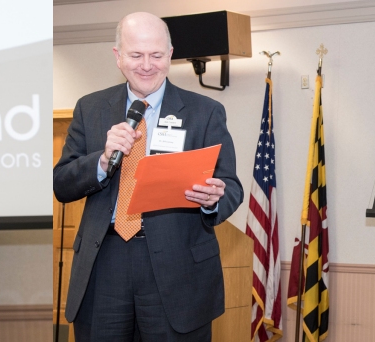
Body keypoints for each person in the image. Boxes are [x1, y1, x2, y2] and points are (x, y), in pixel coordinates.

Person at [53, 12, 243, 341]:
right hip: (104, 263)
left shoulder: (204, 112)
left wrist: (214, 200)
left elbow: (231, 188)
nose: (146, 65)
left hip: (178, 268)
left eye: (156, 55)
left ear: (170, 55)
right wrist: (100, 160)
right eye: (136, 55)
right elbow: (62, 184)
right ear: (118, 56)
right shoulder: (90, 108)